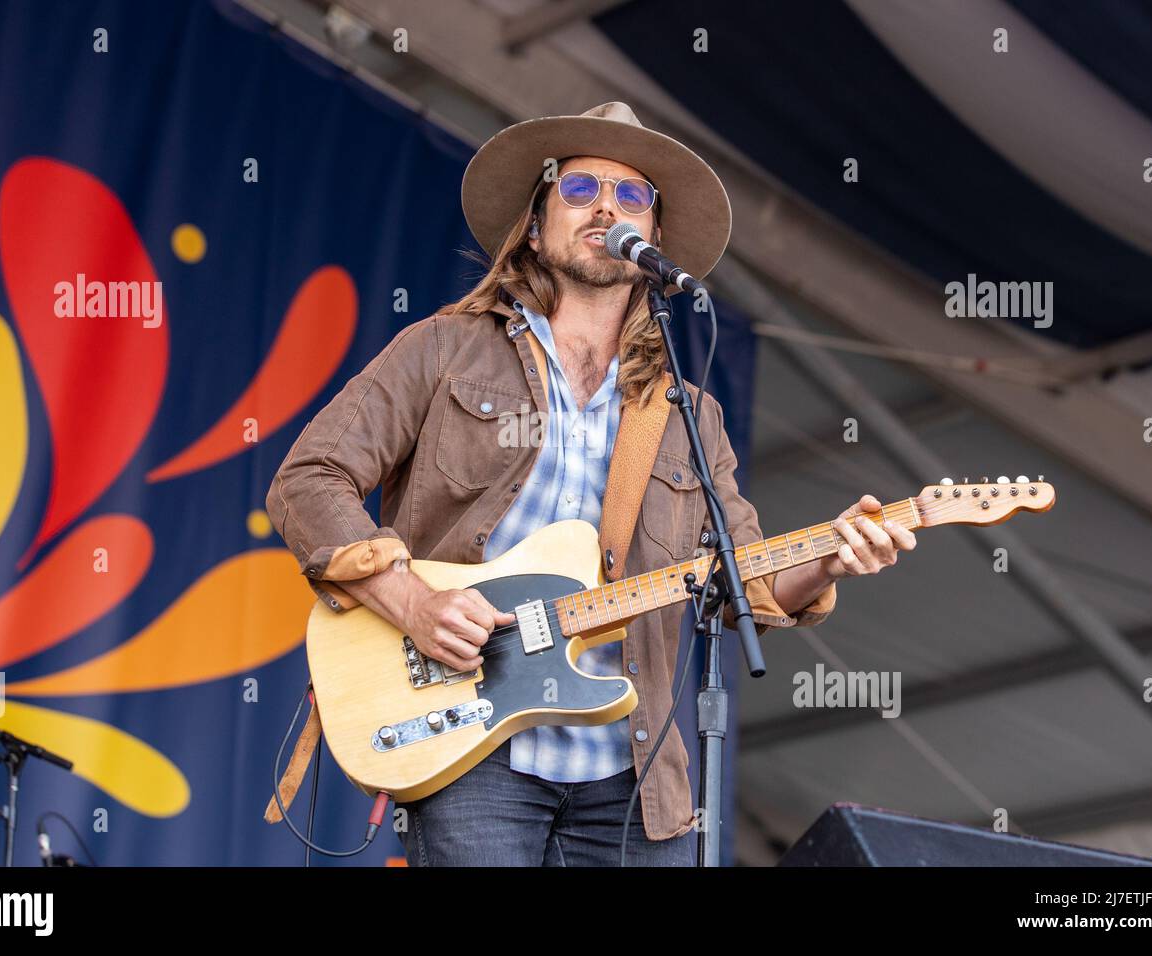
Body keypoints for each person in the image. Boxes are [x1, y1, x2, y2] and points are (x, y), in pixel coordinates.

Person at [266, 102, 916, 866]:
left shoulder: (687, 409)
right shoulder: (444, 347)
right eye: (580, 189)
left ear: (655, 241)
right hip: (472, 747)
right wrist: (411, 601)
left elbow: (746, 583)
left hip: (633, 777)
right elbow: (310, 479)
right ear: (535, 227)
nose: (607, 206)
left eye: (633, 196)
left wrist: (833, 556)